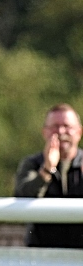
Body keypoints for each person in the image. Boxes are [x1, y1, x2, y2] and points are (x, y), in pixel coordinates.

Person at [14, 103, 83, 248]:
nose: (61, 131)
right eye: (55, 127)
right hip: (41, 255)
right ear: (44, 132)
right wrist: (46, 169)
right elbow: (21, 197)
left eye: (67, 126)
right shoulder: (32, 164)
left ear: (79, 132)